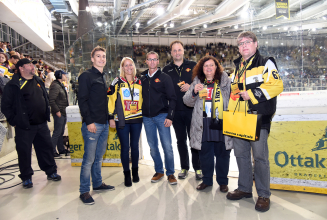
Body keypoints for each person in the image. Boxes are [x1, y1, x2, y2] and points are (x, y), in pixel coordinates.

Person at [226, 31, 283, 212]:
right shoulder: (237, 67)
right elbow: (236, 91)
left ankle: (264, 194)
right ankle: (244, 188)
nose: (243, 46)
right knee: (241, 156)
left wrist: (250, 94)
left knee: (259, 158)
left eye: (247, 42)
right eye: (240, 43)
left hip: (258, 118)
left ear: (255, 44)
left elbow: (276, 85)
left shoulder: (266, 62)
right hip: (239, 120)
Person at [1, 58, 61, 189]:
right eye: (29, 65)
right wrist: (14, 121)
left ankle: (51, 171)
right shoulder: (14, 85)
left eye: (32, 65)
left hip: (41, 124)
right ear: (21, 68)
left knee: (46, 149)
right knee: (24, 152)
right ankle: (26, 177)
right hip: (24, 126)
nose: (32, 67)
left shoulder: (38, 80)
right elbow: (5, 106)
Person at [183, 56, 233, 192]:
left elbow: (233, 97)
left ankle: (223, 182)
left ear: (216, 67)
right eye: (206, 66)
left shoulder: (225, 81)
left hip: (221, 122)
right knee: (205, 154)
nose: (209, 68)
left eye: (211, 65)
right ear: (202, 69)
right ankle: (207, 180)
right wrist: (194, 92)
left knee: (223, 153)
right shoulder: (197, 81)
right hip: (203, 123)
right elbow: (187, 101)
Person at [78, 46, 115, 205]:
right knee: (89, 160)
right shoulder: (86, 76)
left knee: (99, 157)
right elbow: (82, 100)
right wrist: (89, 121)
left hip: (104, 123)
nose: (101, 59)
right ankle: (84, 191)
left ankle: (98, 183)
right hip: (93, 124)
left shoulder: (102, 76)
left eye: (103, 56)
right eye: (98, 56)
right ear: (92, 59)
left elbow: (102, 101)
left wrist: (109, 118)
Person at [162, 40, 202, 180]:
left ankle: (198, 168)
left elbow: (201, 83)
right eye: (174, 50)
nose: (177, 52)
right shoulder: (166, 70)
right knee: (180, 141)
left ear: (183, 51)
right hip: (176, 111)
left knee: (194, 140)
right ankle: (184, 167)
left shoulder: (193, 66)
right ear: (171, 52)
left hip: (192, 110)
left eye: (179, 50)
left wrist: (190, 86)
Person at [140, 51, 177, 185]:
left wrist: (170, 116)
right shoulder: (142, 78)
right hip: (147, 118)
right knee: (153, 146)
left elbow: (172, 98)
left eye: (154, 59)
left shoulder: (165, 78)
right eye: (149, 60)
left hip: (162, 116)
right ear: (146, 61)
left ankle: (171, 173)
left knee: (167, 146)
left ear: (158, 61)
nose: (152, 62)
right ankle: (159, 170)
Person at [108, 57, 142, 187]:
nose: (128, 68)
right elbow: (110, 99)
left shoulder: (139, 81)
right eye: (126, 65)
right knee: (125, 147)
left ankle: (135, 172)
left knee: (135, 147)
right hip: (122, 120)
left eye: (130, 65)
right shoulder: (116, 82)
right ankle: (126, 174)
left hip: (137, 118)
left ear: (134, 67)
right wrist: (110, 117)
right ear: (122, 68)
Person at [49, 70, 69, 157]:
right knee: (57, 132)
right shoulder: (55, 86)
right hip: (59, 112)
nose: (65, 76)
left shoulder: (59, 85)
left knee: (61, 132)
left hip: (63, 111)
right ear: (60, 75)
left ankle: (61, 149)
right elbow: (52, 100)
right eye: (64, 75)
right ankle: (52, 150)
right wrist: (57, 111)